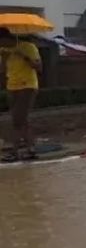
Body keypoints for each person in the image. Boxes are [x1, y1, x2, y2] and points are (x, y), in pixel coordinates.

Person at [0, 27, 42, 162]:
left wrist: (23, 56)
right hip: (12, 87)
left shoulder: (28, 47)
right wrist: (4, 59)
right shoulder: (3, 51)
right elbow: (2, 71)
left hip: (27, 86)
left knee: (17, 120)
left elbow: (38, 67)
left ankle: (15, 152)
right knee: (22, 119)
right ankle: (31, 149)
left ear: (6, 38)